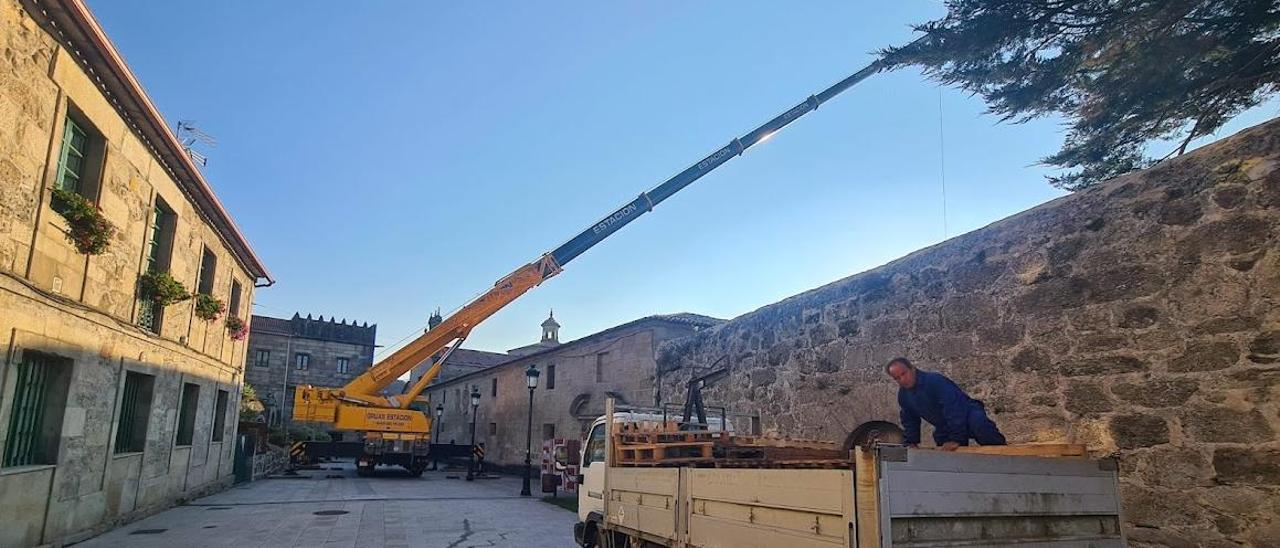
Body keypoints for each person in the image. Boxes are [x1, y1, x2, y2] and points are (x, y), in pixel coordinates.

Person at [886, 357, 1006, 451]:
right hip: (945, 426)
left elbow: (954, 407)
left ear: (912, 369)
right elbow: (910, 420)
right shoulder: (903, 396)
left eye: (903, 374)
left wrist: (956, 439)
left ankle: (1007, 458)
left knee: (982, 427)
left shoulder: (934, 380)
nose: (902, 379)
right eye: (897, 378)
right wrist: (911, 442)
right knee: (945, 453)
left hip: (968, 415)